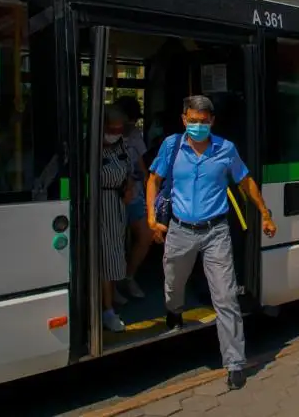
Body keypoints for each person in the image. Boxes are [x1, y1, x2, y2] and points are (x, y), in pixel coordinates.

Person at [146, 95, 277, 390]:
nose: (197, 127)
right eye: (192, 121)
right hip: (179, 230)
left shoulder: (225, 149)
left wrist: (265, 214)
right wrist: (151, 217)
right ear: (184, 119)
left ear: (212, 122)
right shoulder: (172, 145)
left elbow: (245, 182)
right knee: (172, 283)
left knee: (226, 297)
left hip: (216, 231)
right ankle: (175, 310)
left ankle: (234, 364)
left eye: (203, 122)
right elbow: (153, 180)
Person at [114, 95, 151, 301]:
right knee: (115, 243)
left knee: (145, 236)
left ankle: (129, 276)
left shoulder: (135, 135)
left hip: (135, 194)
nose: (133, 124)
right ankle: (114, 285)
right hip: (113, 197)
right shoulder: (107, 134)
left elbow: (141, 165)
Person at [100, 105, 134, 332]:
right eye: (111, 128)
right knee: (106, 258)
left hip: (118, 204)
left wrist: (129, 186)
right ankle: (106, 310)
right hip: (99, 206)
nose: (115, 132)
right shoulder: (89, 148)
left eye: (120, 128)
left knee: (115, 254)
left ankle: (111, 296)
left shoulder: (120, 145)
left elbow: (128, 169)